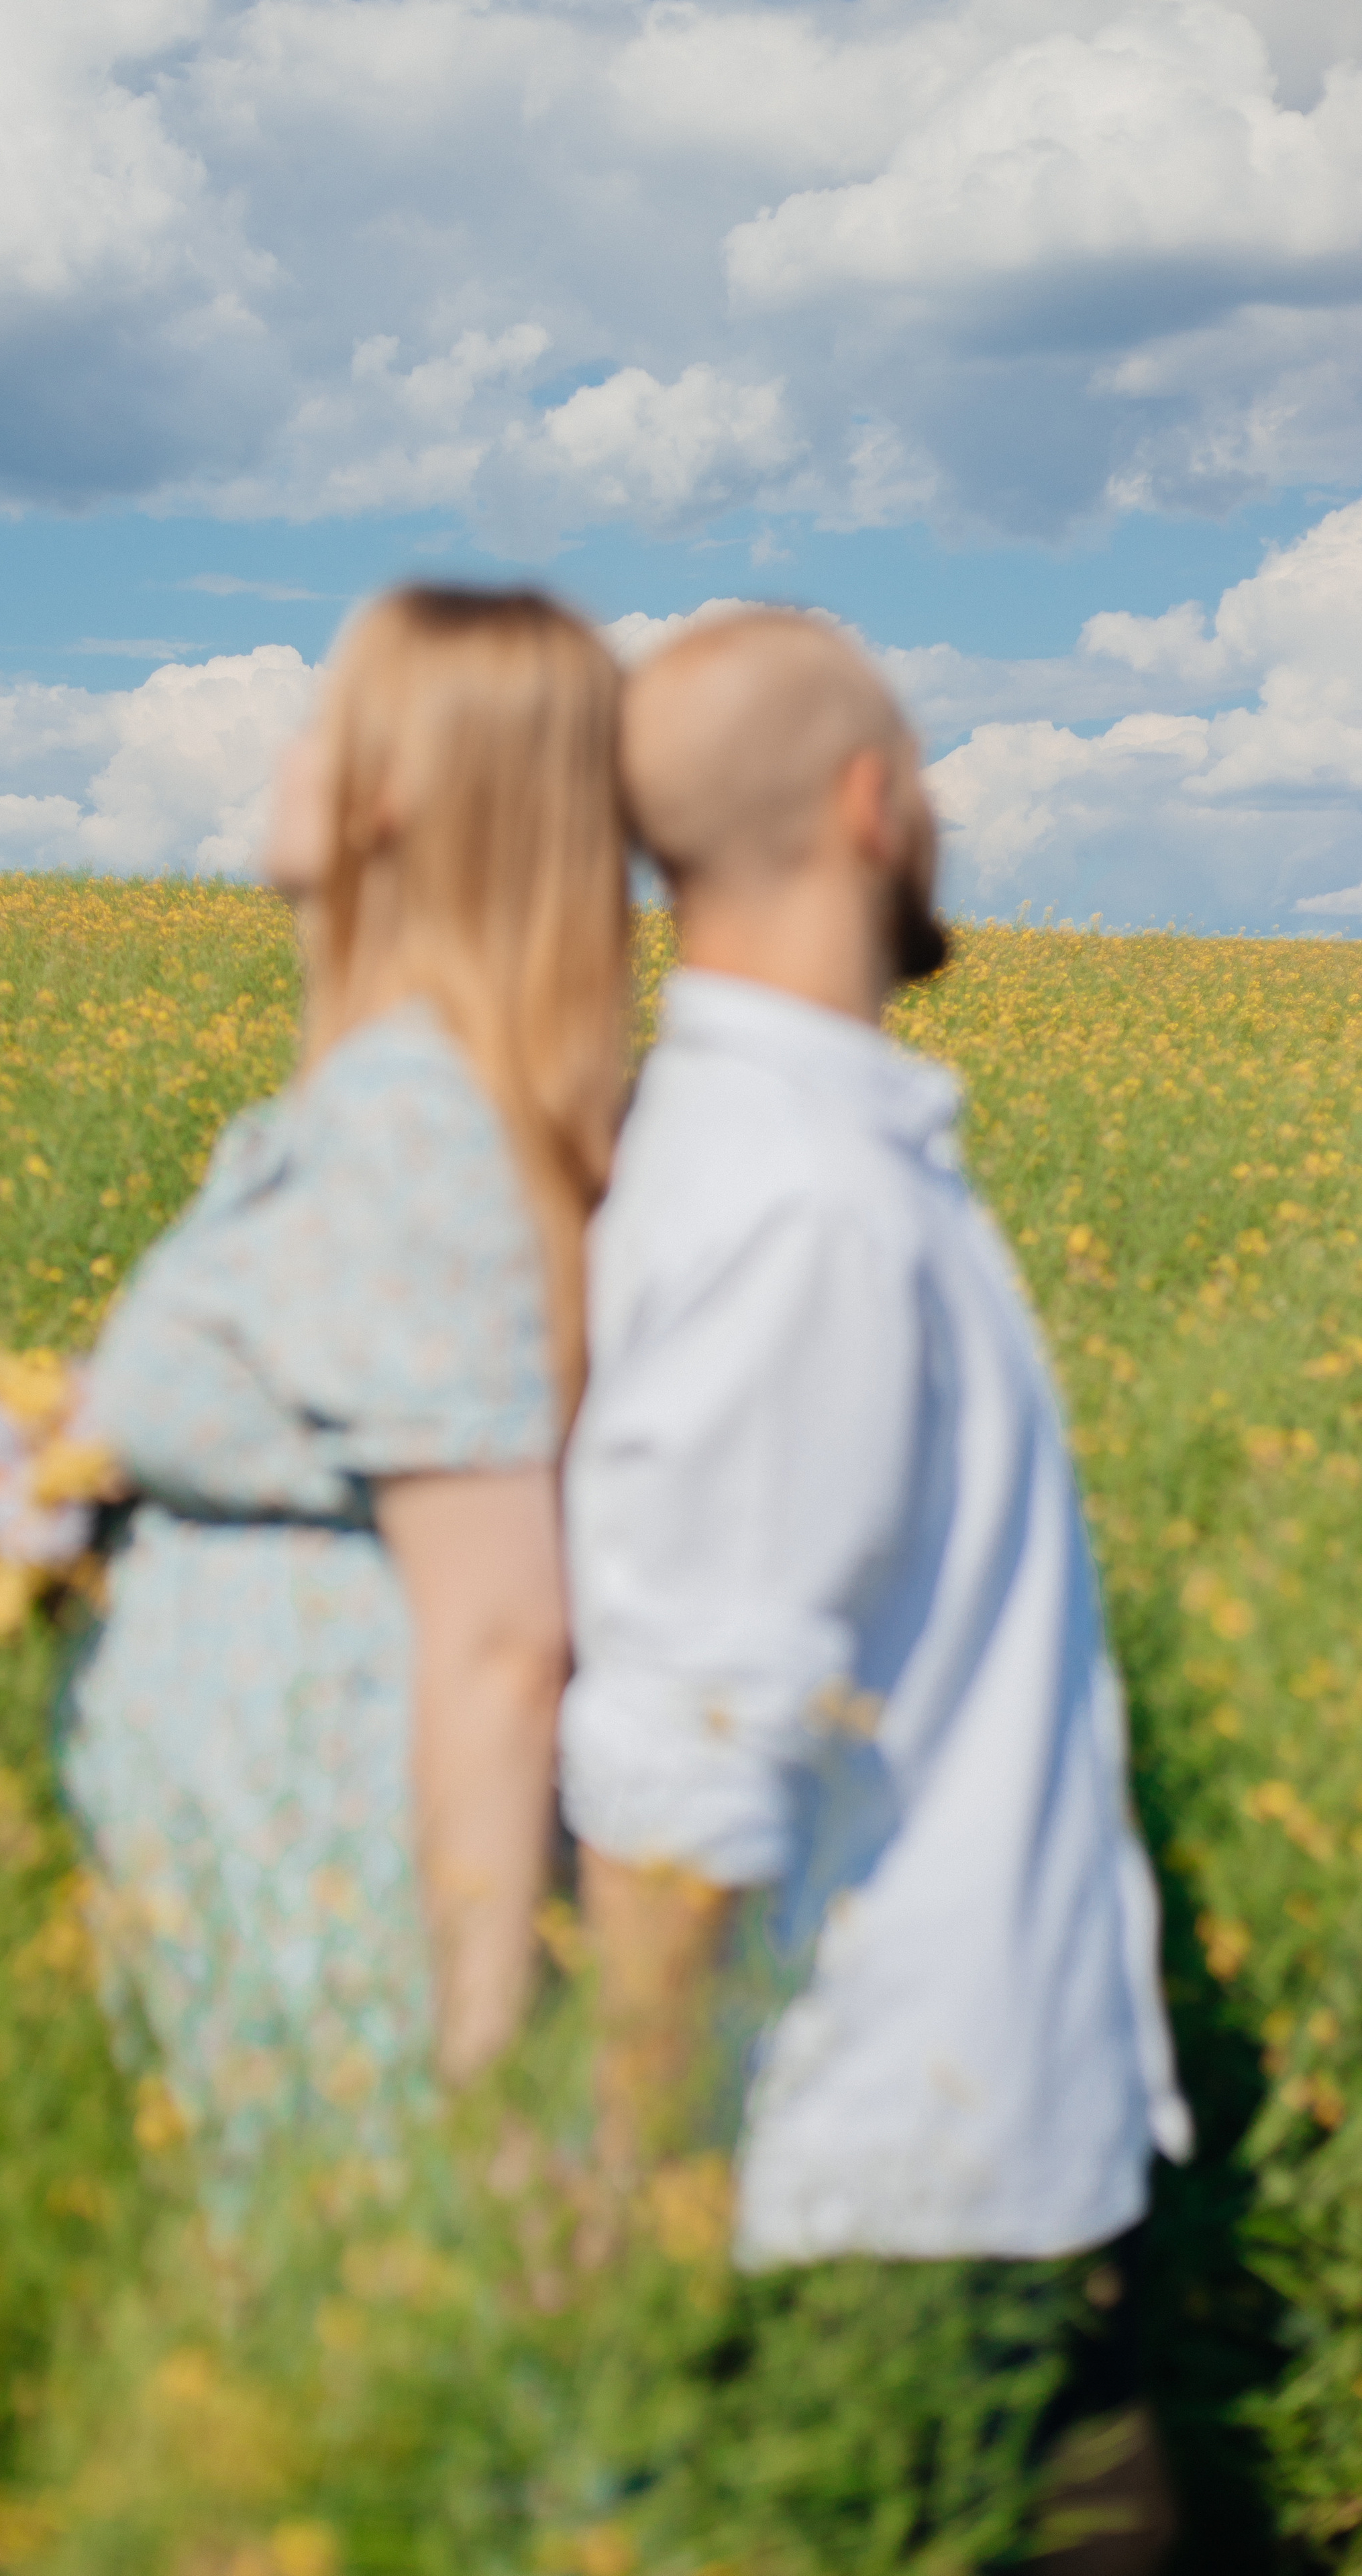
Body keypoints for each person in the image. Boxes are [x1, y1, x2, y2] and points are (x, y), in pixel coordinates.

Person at [558, 609, 1190, 2567]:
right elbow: (695, 1731)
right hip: (892, 2193)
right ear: (868, 804)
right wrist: (623, 2192)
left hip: (964, 2161)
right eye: (922, 778)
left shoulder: (822, 1160)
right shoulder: (800, 1204)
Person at [60, 586, 628, 2206]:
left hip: (354, 1953)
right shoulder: (398, 1102)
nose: (283, 752)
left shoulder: (412, 1129)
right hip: (280, 1928)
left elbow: (502, 1633)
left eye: (322, 719)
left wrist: (479, 2073)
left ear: (395, 792)